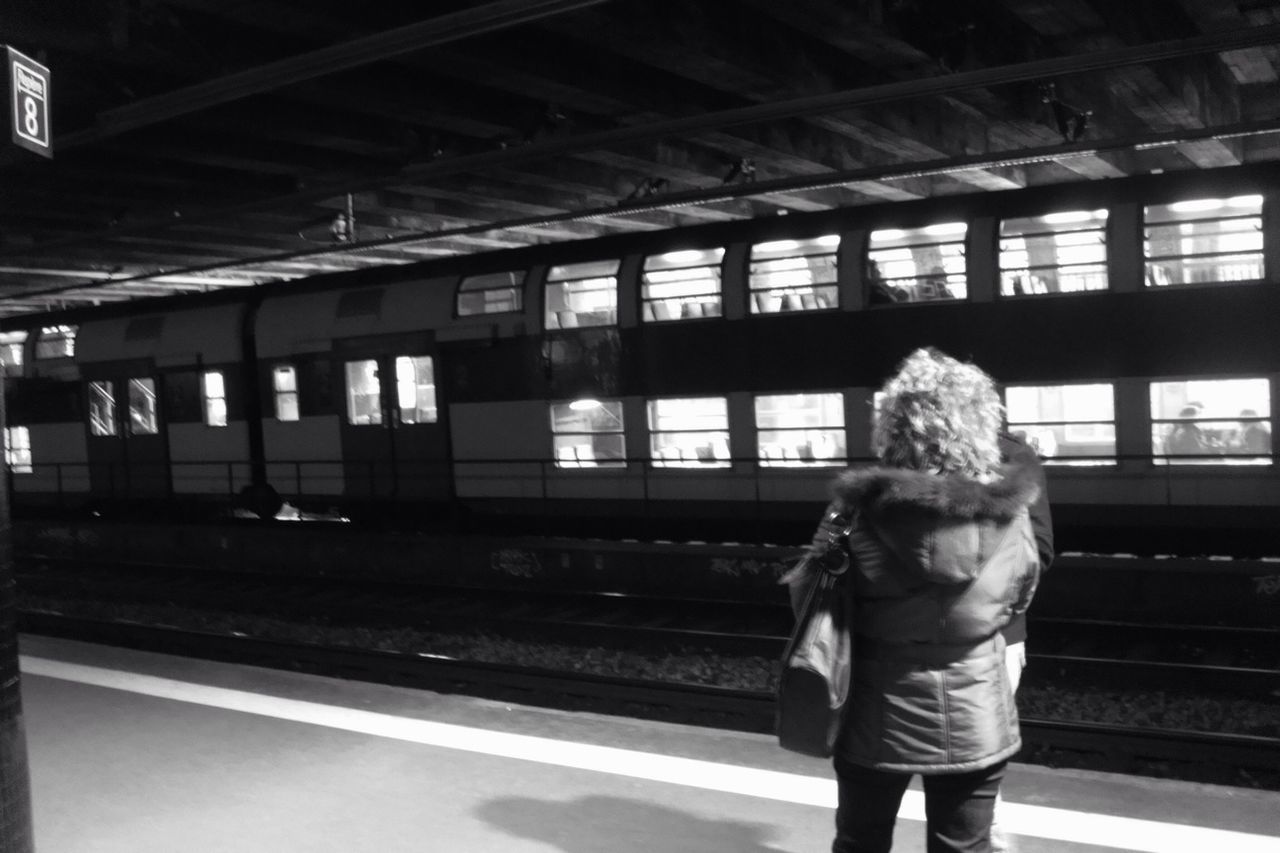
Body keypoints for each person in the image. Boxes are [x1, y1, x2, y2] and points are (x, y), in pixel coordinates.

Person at [788, 348, 1042, 853]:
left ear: (894, 427)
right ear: (981, 423)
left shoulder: (854, 513)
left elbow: (810, 598)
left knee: (861, 841)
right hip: (976, 710)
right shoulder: (1012, 516)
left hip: (875, 711)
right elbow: (1020, 596)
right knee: (963, 847)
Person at [990, 430, 1055, 852]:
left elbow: (1040, 549)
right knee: (978, 756)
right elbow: (1041, 550)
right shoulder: (900, 460)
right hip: (992, 635)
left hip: (990, 636)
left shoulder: (1011, 456)